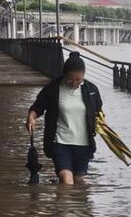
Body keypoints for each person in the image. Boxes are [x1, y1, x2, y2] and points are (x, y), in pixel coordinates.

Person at [26, 52, 103, 185]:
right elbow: (38, 107)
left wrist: (103, 126)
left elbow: (99, 112)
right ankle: (63, 205)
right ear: (64, 75)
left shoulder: (92, 90)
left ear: (83, 76)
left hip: (84, 144)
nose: (74, 83)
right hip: (60, 141)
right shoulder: (53, 89)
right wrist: (31, 116)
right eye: (70, 79)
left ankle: (71, 206)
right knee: (67, 180)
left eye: (78, 79)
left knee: (78, 181)